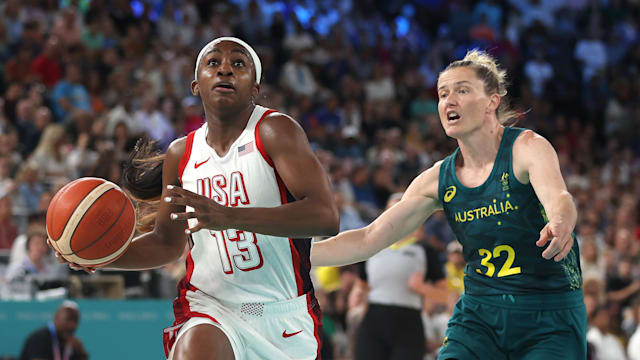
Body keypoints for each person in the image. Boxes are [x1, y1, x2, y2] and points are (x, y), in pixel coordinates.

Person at [50, 37, 338, 360]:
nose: (225, 69)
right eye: (213, 63)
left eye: (238, 64)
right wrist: (100, 256)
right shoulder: (181, 154)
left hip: (284, 316)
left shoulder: (274, 131)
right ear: (196, 85)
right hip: (212, 307)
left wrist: (230, 216)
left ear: (255, 89)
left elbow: (325, 216)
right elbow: (166, 243)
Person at [311, 49, 586, 359]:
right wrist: (294, 255)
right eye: (443, 94)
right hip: (480, 315)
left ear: (492, 101)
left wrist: (560, 221)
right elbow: (368, 238)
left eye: (462, 90)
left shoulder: (526, 147)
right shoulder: (435, 180)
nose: (449, 101)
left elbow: (559, 197)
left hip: (549, 313)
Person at [353, 192, 447, 360]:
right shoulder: (372, 247)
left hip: (408, 323)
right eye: (392, 210)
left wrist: (422, 288)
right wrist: (356, 295)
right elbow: (361, 286)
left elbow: (446, 296)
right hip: (373, 321)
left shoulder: (424, 250)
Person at [19, 300, 88, 360]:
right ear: (56, 318)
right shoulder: (39, 338)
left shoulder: (74, 345)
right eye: (68, 319)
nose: (71, 325)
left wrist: (81, 353)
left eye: (75, 320)